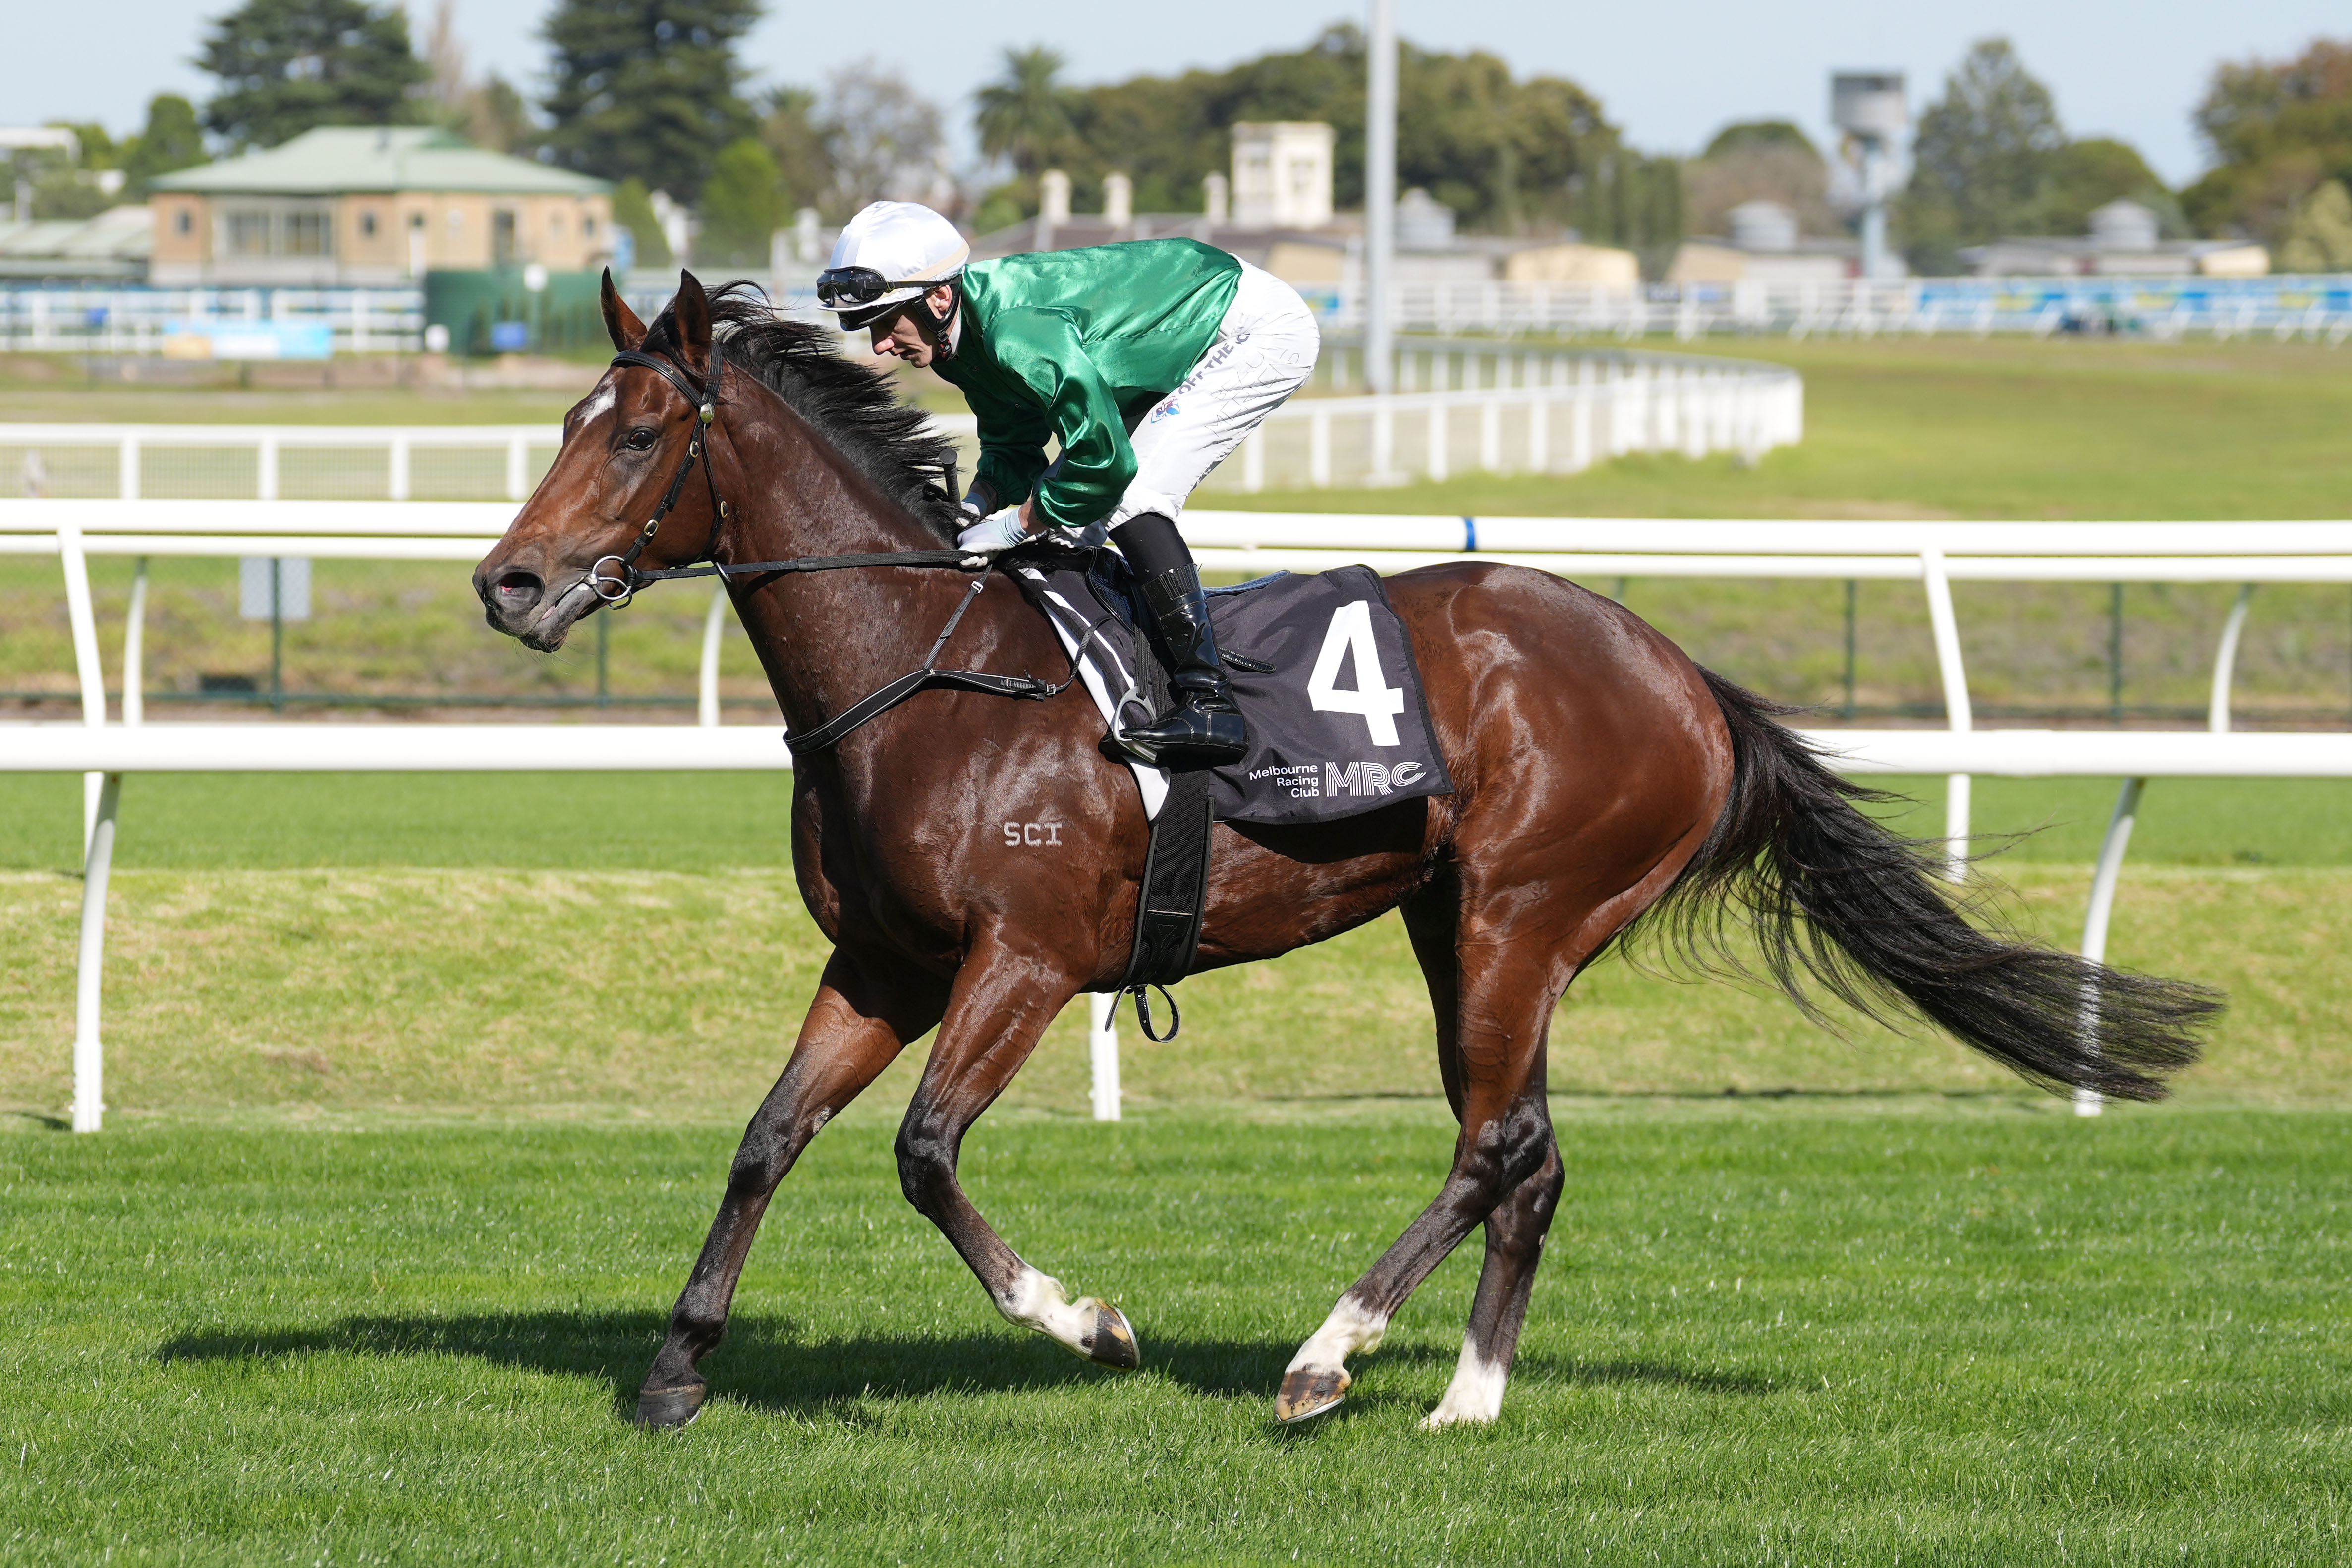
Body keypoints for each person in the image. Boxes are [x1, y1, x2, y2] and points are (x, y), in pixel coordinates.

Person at [814, 200, 1321, 767]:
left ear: (937, 298)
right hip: (1179, 332)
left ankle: (1211, 702)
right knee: (1069, 525)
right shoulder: (956, 343)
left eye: (886, 321)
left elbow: (1104, 460)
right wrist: (976, 506)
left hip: (1250, 327)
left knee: (1131, 499)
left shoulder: (1014, 330)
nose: (880, 344)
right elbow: (1013, 444)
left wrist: (1015, 524)